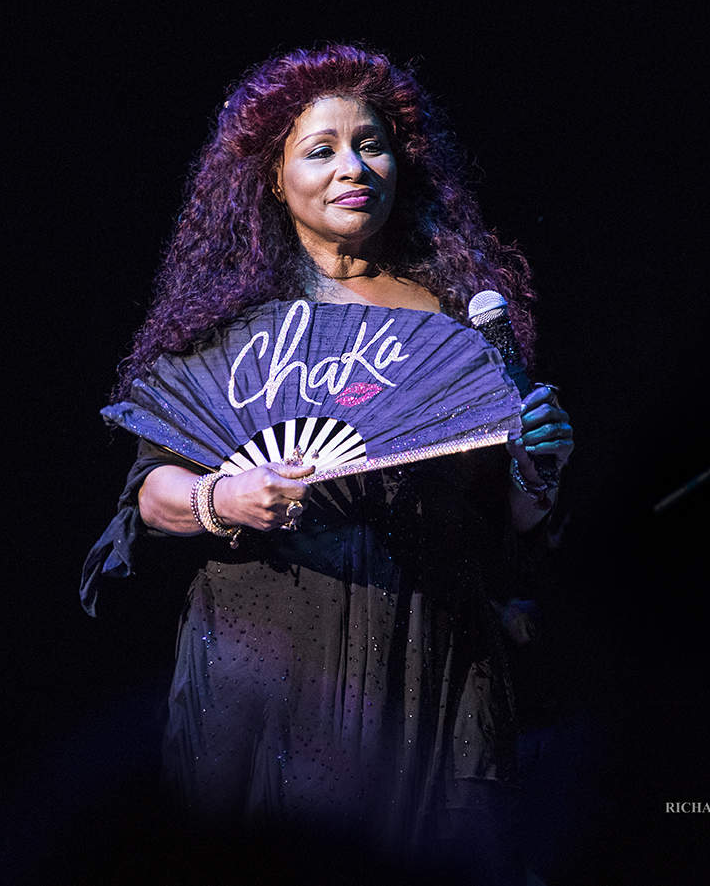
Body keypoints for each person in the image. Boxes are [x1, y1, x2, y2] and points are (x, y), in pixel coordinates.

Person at [81, 44, 573, 884]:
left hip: (427, 654)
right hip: (264, 656)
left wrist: (544, 468)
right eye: (321, 150)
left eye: (372, 145)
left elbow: (514, 520)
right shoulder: (234, 327)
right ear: (275, 177)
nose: (354, 167)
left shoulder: (460, 322)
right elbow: (151, 492)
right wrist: (223, 495)